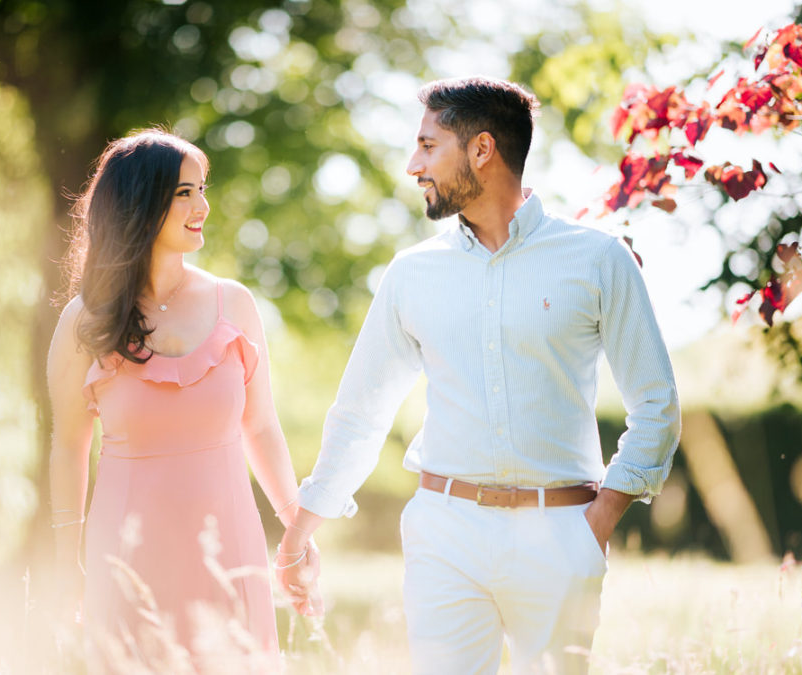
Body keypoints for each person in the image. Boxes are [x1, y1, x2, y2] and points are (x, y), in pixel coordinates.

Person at [278, 77, 681, 674]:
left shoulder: (597, 260)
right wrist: (300, 529)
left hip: (560, 534)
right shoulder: (412, 273)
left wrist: (596, 524)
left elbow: (657, 405)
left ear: (482, 150)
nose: (414, 165)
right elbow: (362, 412)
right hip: (444, 532)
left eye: (427, 146)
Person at [46, 129, 317, 671]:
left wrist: (296, 531)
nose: (203, 206)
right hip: (126, 552)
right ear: (140, 203)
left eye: (203, 189)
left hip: (229, 549)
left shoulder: (234, 305)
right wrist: (64, 560)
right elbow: (69, 445)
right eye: (184, 193)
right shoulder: (84, 321)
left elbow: (260, 427)